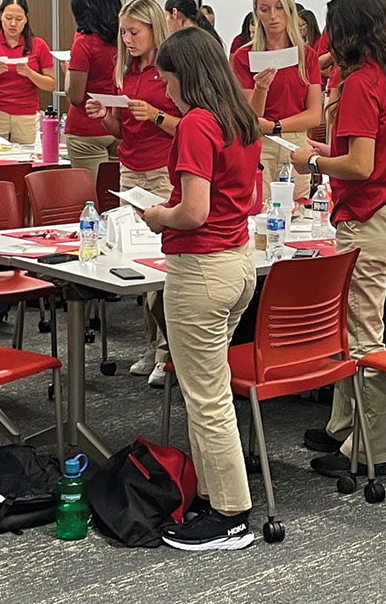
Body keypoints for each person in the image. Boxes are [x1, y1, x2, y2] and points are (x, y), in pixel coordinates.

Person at [292, 0, 386, 477]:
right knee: (355, 326)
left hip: (371, 213)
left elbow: (359, 163)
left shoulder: (362, 83)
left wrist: (313, 159)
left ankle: (371, 449)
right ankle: (343, 424)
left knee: (362, 333)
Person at [142, 27, 261, 552]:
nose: (166, 94)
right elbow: (249, 196)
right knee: (207, 388)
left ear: (186, 75)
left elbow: (193, 211)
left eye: (168, 82)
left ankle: (231, 515)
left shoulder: (195, 123)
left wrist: (153, 215)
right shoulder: (240, 117)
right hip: (237, 262)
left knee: (206, 397)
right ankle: (213, 497)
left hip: (202, 269)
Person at [85, 0, 180, 388]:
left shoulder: (170, 68)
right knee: (138, 264)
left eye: (133, 32)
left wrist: (154, 114)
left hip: (162, 172)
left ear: (154, 29)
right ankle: (153, 344)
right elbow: (123, 132)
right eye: (123, 32)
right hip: (130, 171)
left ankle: (167, 350)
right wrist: (107, 116)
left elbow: (192, 125)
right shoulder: (126, 70)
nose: (126, 39)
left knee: (162, 267)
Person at [232, 0, 322, 204]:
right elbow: (250, 116)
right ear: (256, 13)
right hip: (260, 142)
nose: (273, 15)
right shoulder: (244, 56)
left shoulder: (307, 56)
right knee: (260, 208)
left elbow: (314, 115)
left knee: (298, 208)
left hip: (295, 141)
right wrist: (261, 89)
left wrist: (277, 125)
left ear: (290, 10)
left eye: (279, 7)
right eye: (265, 9)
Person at [63, 0, 121, 182]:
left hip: (86, 129)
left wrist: (68, 72)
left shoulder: (84, 42)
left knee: (92, 197)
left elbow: (76, 97)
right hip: (117, 124)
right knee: (115, 196)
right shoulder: (124, 39)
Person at [0, 0, 55, 144]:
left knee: (26, 161)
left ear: (26, 19)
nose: (13, 24)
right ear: (0, 17)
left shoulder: (38, 44)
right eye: (8, 18)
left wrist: (29, 73)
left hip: (27, 114)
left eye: (18, 19)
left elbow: (51, 85)